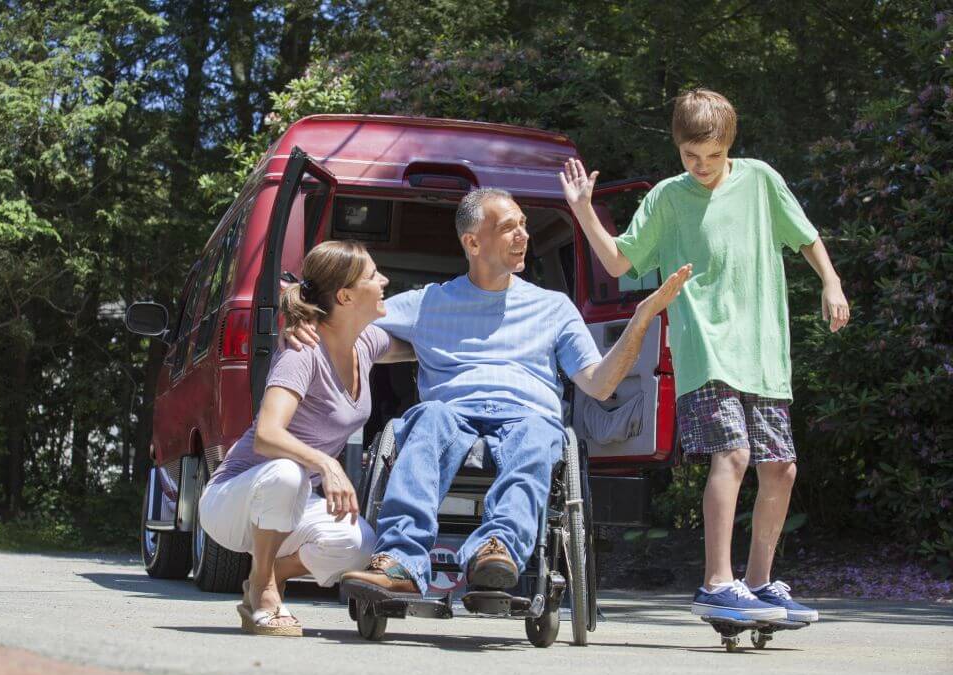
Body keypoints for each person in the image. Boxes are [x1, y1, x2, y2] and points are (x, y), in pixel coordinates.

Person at [560, 88, 849, 624]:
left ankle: (759, 582)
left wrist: (830, 281)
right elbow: (620, 263)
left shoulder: (760, 180)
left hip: (763, 351)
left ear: (729, 145)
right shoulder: (669, 198)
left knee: (781, 468)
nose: (703, 167)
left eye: (713, 157)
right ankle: (718, 580)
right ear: (678, 149)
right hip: (706, 347)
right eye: (692, 157)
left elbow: (805, 237)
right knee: (733, 455)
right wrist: (582, 211)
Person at [328, 188, 691, 596]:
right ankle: (401, 561)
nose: (523, 235)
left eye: (523, 224)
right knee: (425, 419)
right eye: (508, 227)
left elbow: (600, 383)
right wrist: (306, 309)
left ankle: (496, 547)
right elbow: (350, 329)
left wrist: (640, 321)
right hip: (450, 411)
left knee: (540, 433)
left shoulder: (554, 307)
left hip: (526, 414)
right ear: (472, 242)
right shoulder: (427, 303)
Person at [198, 240, 413, 636]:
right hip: (233, 501)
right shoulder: (303, 351)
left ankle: (269, 573)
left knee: (358, 544)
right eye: (372, 275)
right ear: (346, 295)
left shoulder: (366, 344)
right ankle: (263, 591)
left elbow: (421, 349)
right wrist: (326, 463)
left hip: (289, 506)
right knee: (287, 471)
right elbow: (266, 435)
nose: (383, 280)